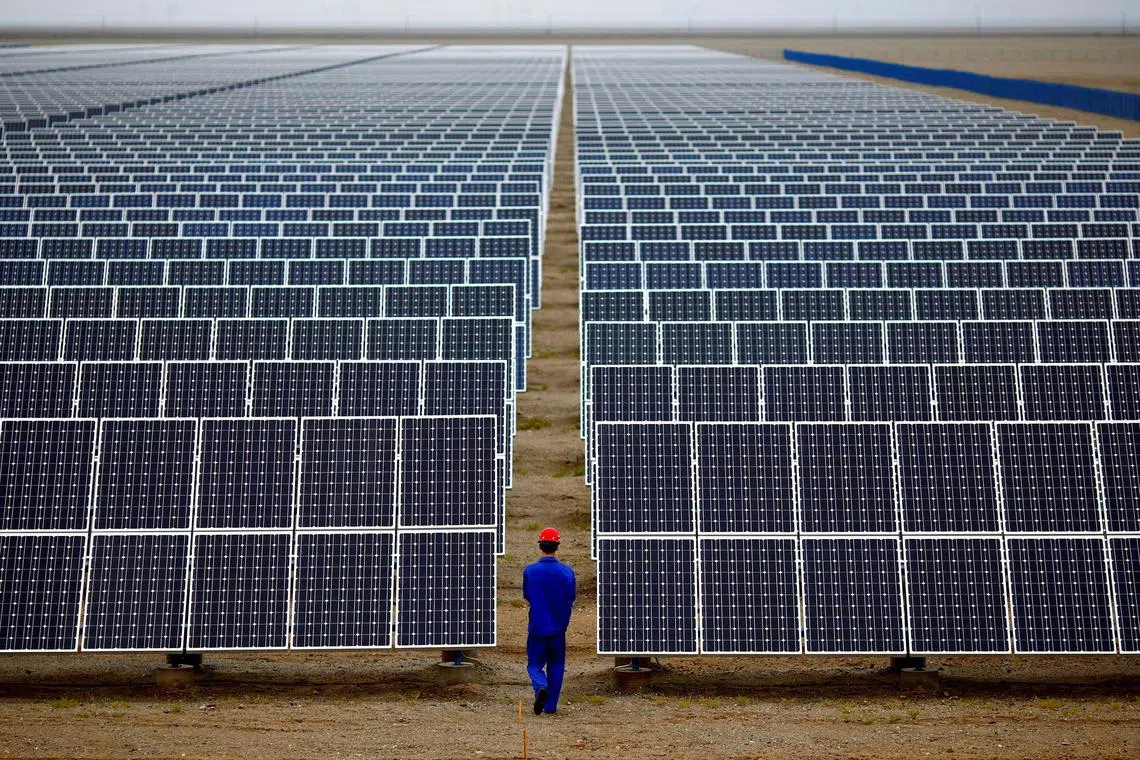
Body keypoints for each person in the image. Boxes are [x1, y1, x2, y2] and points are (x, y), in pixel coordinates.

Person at [522, 527, 576, 716]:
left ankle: (540, 686)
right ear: (557, 546)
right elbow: (571, 596)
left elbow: (527, 595)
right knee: (556, 665)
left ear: (540, 546)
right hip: (559, 628)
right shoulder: (567, 572)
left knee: (534, 665)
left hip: (537, 626)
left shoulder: (530, 571)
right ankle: (550, 706)